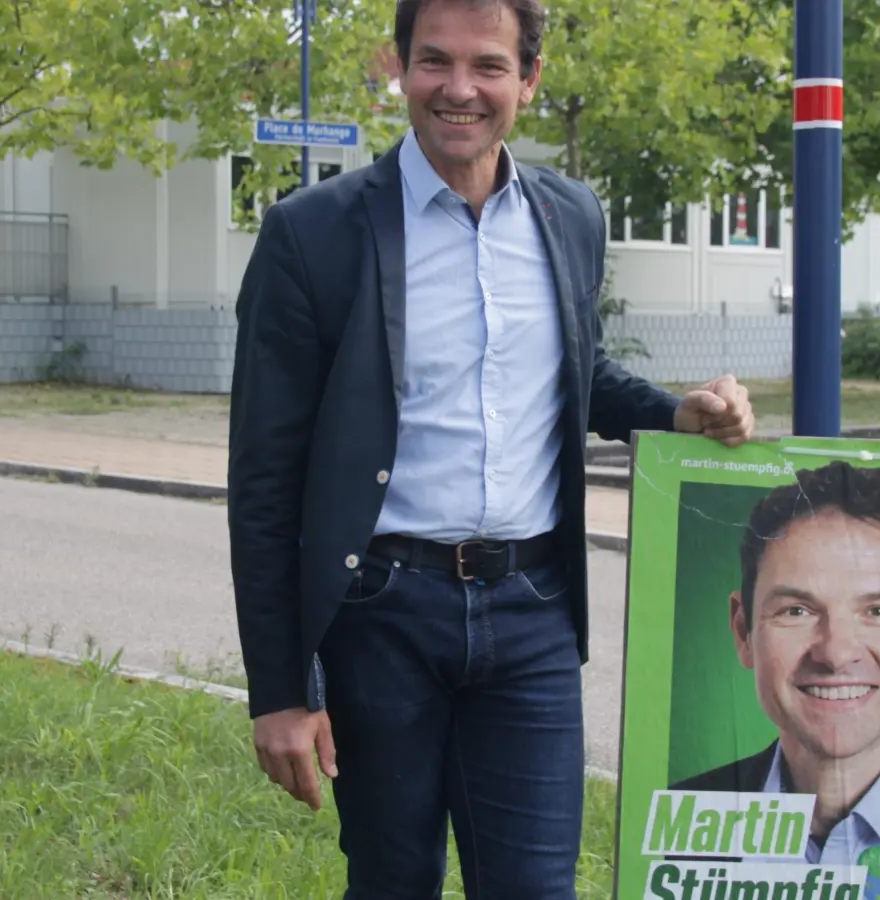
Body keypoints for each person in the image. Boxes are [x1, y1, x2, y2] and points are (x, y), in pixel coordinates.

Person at [225, 0, 756, 895]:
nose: (459, 88)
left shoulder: (570, 214)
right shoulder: (312, 234)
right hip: (381, 614)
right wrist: (279, 690)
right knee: (393, 883)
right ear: (398, 66)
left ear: (529, 79)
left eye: (489, 66)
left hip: (533, 612)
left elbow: (576, 369)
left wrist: (677, 412)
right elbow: (264, 483)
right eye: (434, 61)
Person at [670, 461, 880, 900]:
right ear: (743, 632)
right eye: (796, 611)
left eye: (878, 611)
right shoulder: (673, 814)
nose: (836, 654)